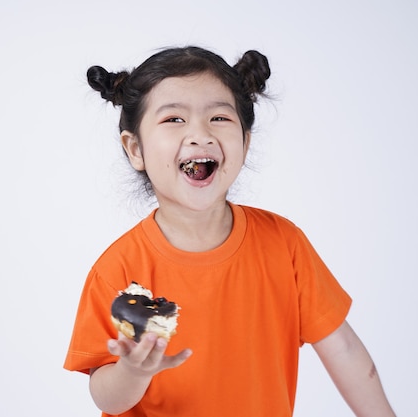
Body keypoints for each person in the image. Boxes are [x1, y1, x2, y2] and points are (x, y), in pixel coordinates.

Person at [63, 46, 396, 417]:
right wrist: (132, 371)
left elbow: (344, 350)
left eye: (219, 118)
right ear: (135, 149)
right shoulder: (117, 270)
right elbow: (104, 396)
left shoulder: (284, 244)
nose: (199, 135)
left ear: (245, 142)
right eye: (174, 119)